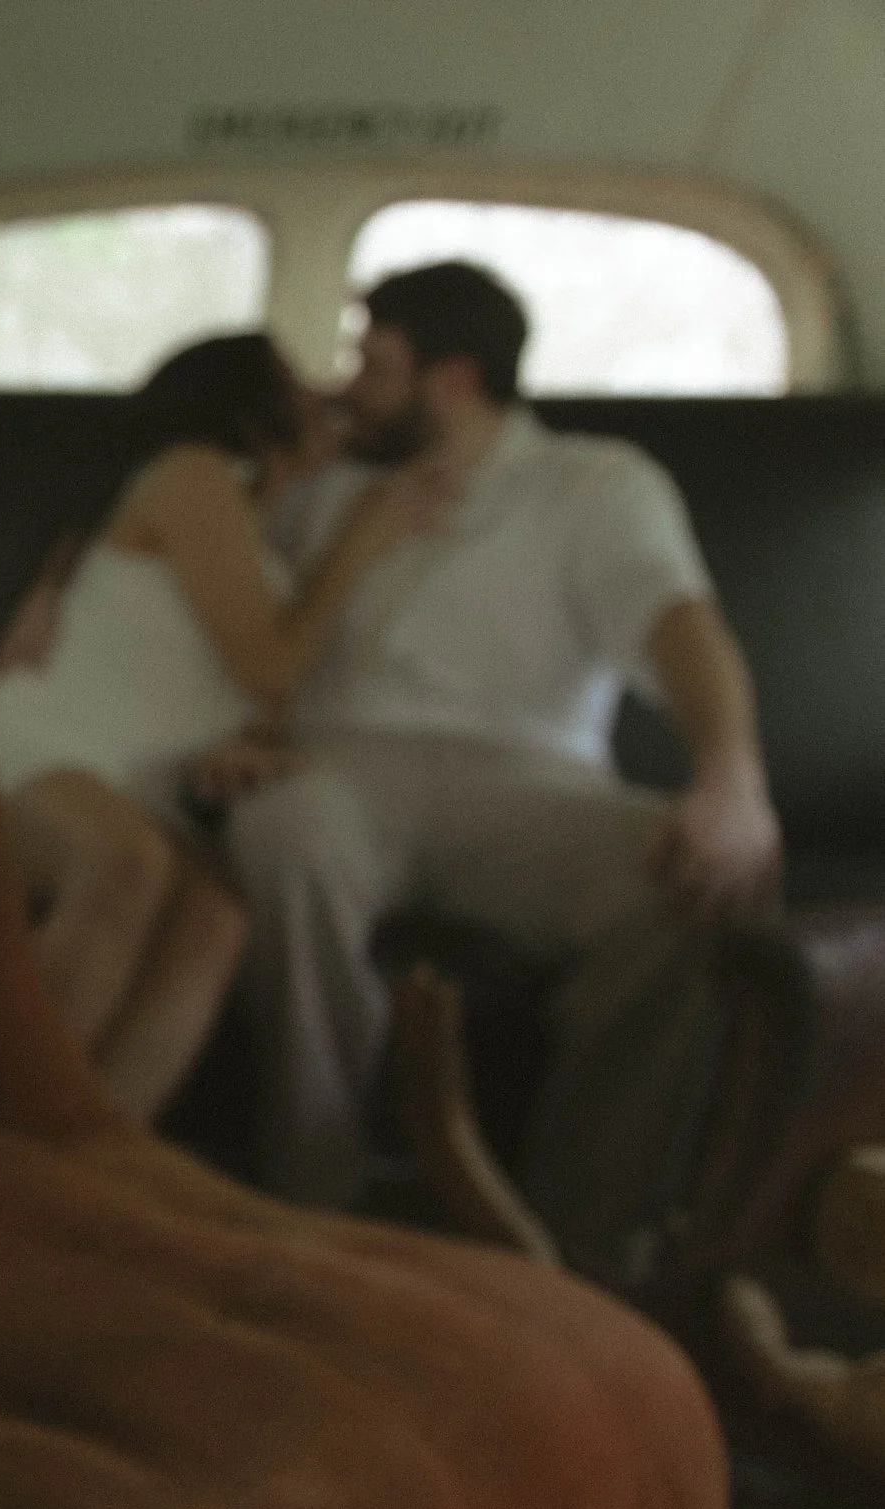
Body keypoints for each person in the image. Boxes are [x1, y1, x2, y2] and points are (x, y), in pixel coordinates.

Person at [219, 261, 782, 1281]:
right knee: (279, 836)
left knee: (696, 882)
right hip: (342, 769)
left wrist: (729, 775)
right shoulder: (332, 492)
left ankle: (570, 1250)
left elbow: (676, 623)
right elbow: (231, 623)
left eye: (372, 363)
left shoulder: (595, 483)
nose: (346, 384)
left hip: (529, 784)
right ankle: (309, 1205)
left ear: (451, 378)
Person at [0, 334, 448, 1123]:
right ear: (252, 410)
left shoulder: (257, 535)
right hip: (39, 742)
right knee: (124, 866)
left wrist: (256, 742)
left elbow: (251, 688)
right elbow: (270, 661)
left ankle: (96, 1154)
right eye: (300, 385)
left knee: (216, 918)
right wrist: (361, 541)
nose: (326, 397)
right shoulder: (192, 474)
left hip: (131, 774)